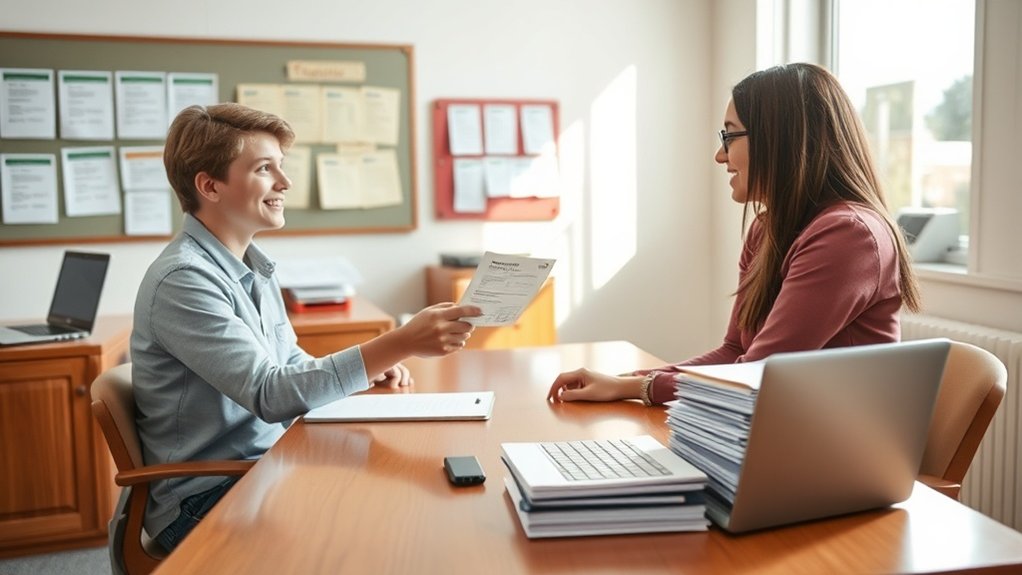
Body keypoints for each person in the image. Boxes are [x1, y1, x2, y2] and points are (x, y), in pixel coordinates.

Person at [132, 103, 481, 551]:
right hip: (205, 498)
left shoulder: (254, 265)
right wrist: (400, 342)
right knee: (383, 528)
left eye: (282, 166)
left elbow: (288, 362)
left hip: (263, 466)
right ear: (209, 185)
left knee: (400, 505)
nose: (285, 182)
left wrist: (367, 370)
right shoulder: (183, 280)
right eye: (264, 168)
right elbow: (270, 394)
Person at [547, 62, 921, 406]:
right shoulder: (766, 229)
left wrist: (638, 387)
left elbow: (757, 372)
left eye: (730, 137)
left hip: (834, 457)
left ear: (781, 139)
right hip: (784, 430)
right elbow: (733, 351)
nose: (720, 156)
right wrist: (626, 382)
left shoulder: (849, 235)